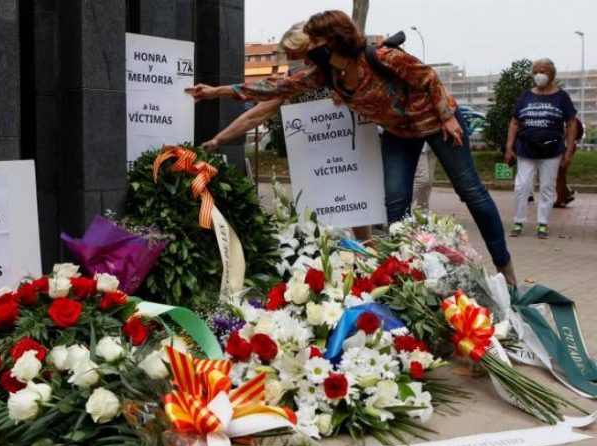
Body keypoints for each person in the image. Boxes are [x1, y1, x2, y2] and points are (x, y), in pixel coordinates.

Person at [188, 10, 516, 285]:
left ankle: (505, 270)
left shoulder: (381, 57)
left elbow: (428, 78)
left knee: (470, 189)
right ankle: (401, 275)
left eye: (314, 42)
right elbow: (274, 87)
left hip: (435, 119)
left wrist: (446, 116)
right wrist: (217, 91)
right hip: (400, 134)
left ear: (333, 41)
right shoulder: (326, 75)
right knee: (395, 203)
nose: (308, 51)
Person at [199, 22, 372, 240]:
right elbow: (255, 114)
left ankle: (366, 255)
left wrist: (350, 97)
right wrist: (217, 139)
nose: (293, 60)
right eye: (289, 55)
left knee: (358, 210)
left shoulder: (340, 71)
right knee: (315, 220)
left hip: (347, 151)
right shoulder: (293, 80)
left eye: (296, 53)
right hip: (312, 156)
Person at [504, 58, 577, 239]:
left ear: (552, 74)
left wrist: (569, 150)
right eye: (536, 72)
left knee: (547, 187)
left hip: (551, 151)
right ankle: (519, 221)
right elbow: (514, 122)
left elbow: (571, 123)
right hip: (526, 149)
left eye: (543, 71)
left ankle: (542, 223)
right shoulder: (525, 96)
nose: (539, 75)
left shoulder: (562, 97)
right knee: (522, 186)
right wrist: (509, 147)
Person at [554, 116, 583, 207]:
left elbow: (566, 133)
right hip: (568, 147)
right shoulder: (572, 119)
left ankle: (562, 198)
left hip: (565, 147)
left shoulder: (568, 120)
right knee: (560, 175)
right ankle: (565, 195)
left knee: (560, 174)